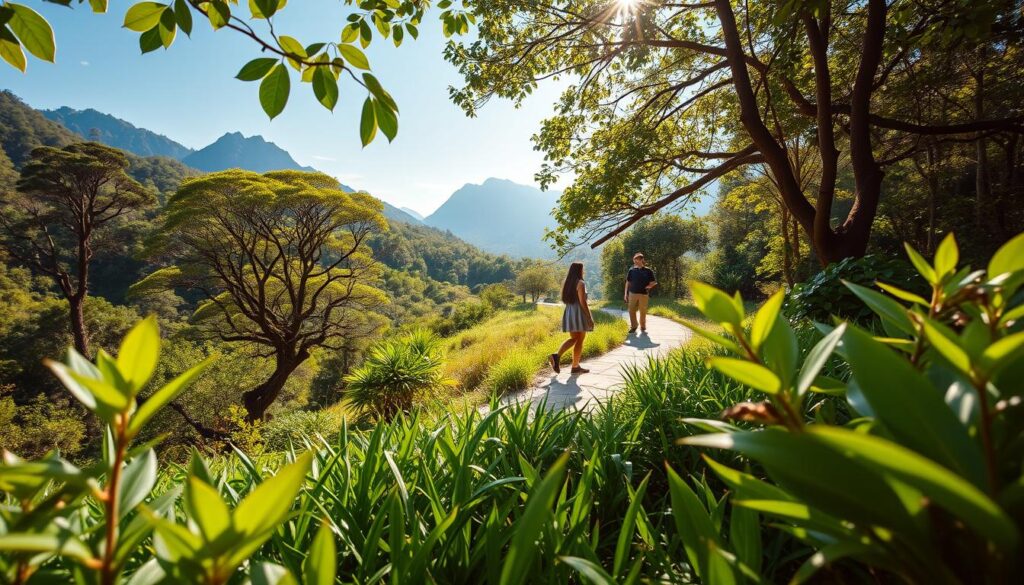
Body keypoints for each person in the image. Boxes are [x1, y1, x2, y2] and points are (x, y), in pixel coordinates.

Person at [549, 262, 594, 375]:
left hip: (570, 311)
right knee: (579, 339)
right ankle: (573, 365)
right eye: (583, 269)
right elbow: (583, 302)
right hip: (579, 312)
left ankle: (559, 358)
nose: (584, 271)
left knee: (575, 339)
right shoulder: (581, 283)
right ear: (579, 270)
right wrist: (589, 318)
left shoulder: (567, 282)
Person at [624, 252, 657, 333]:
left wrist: (649, 286)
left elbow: (654, 282)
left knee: (643, 311)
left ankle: (643, 326)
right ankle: (634, 326)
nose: (635, 262)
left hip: (643, 294)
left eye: (637, 260)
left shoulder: (648, 271)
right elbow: (627, 282)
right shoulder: (631, 270)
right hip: (632, 293)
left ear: (642, 260)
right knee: (631, 310)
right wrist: (625, 294)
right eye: (634, 260)